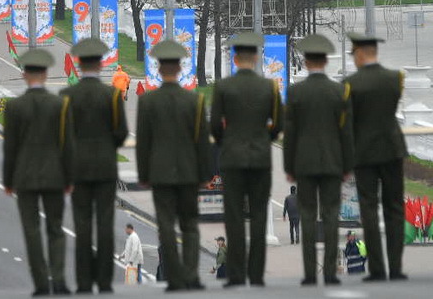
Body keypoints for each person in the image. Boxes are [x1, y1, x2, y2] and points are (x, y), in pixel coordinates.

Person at [136, 39, 211, 292]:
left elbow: (143, 143)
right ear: (180, 69)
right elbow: (202, 142)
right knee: (190, 225)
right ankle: (191, 275)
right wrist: (205, 174)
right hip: (189, 173)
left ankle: (172, 277)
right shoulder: (195, 102)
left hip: (160, 172)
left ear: (158, 69)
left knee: (166, 226)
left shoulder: (148, 102)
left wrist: (144, 174)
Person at [209, 31, 280, 287]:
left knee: (234, 217)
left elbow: (215, 125)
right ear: (257, 57)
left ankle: (237, 274)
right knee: (259, 216)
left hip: (232, 158)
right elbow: (278, 123)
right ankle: (258, 275)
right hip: (260, 157)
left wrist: (225, 141)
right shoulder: (269, 87)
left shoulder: (224, 87)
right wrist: (263, 137)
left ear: (236, 58)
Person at [283, 34, 353, 287]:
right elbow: (347, 132)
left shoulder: (296, 92)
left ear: (305, 61)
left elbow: (290, 133)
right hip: (333, 162)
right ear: (325, 61)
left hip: (305, 163)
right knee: (332, 216)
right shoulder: (339, 91)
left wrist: (289, 167)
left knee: (308, 216)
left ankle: (310, 273)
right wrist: (347, 165)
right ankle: (331, 272)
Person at [4, 48, 73, 296]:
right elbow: (67, 144)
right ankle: (60, 280)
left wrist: (8, 180)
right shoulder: (59, 105)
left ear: (24, 75)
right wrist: (68, 177)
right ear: (45, 74)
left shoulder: (14, 107)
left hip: (25, 178)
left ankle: (41, 284)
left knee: (31, 231)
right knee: (56, 229)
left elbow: (10, 147)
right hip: (55, 176)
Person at [62, 38, 128, 294]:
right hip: (104, 168)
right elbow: (121, 132)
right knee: (104, 223)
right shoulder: (110, 95)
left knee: (82, 224)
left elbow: (63, 136)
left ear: (78, 63)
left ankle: (83, 281)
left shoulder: (68, 95)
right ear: (101, 64)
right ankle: (104, 280)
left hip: (78, 168)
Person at [343, 32, 408, 282]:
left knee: (368, 209)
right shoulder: (396, 78)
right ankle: (397, 268)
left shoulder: (350, 84)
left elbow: (347, 124)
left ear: (359, 54)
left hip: (364, 152)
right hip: (392, 149)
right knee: (395, 208)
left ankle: (378, 269)